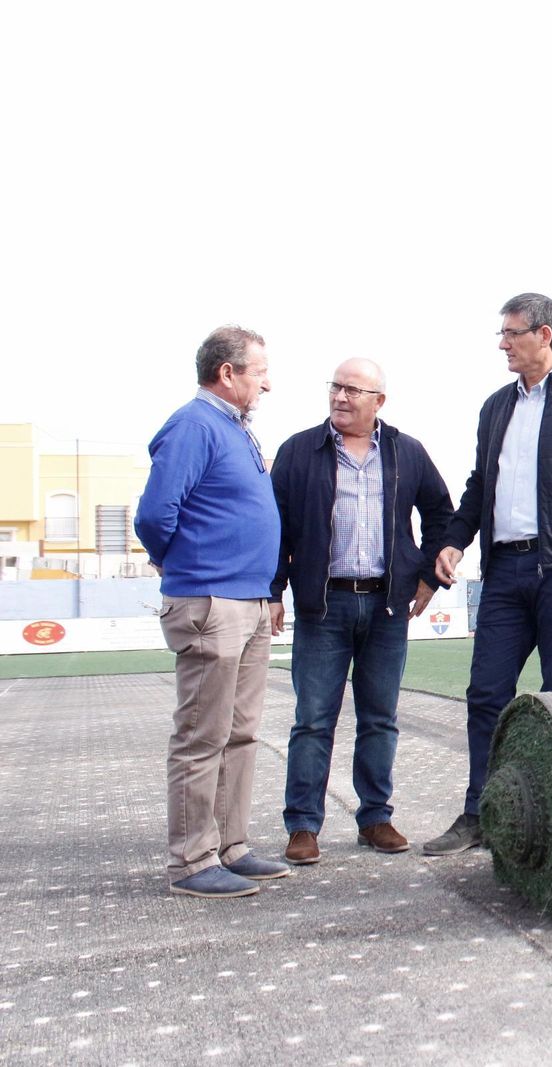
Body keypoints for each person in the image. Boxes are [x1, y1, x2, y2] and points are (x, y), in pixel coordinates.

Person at [423, 292, 552, 856]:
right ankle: (478, 813)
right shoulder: (496, 407)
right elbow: (478, 486)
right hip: (504, 570)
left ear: (544, 335)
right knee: (486, 692)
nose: (502, 343)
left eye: (511, 333)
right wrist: (453, 540)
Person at [269, 359, 454, 865]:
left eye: (353, 390)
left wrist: (429, 575)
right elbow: (275, 526)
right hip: (322, 606)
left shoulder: (406, 452)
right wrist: (273, 590)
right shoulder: (298, 452)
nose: (340, 398)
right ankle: (303, 826)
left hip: (388, 605)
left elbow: (441, 511)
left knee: (379, 718)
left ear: (379, 401)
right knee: (312, 719)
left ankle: (375, 817)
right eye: (335, 387)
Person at [134, 325, 290, 898]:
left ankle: (231, 845)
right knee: (202, 735)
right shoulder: (194, 426)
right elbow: (155, 515)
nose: (267, 383)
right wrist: (177, 564)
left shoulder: (234, 430)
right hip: (210, 601)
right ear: (228, 373)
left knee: (241, 733)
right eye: (259, 371)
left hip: (247, 602)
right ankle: (191, 860)